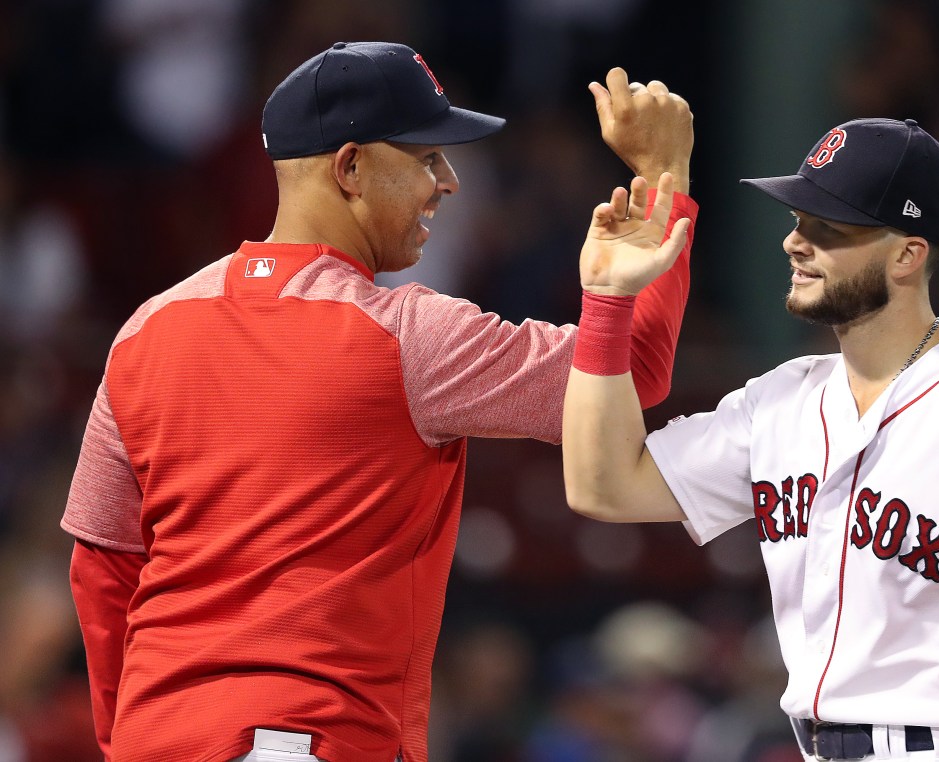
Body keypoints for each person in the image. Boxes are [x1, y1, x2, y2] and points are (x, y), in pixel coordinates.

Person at [61, 41, 695, 762]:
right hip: (301, 740)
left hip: (157, 736)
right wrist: (663, 178)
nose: (449, 182)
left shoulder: (146, 329)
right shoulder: (409, 337)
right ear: (351, 167)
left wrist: (126, 741)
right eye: (427, 158)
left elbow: (103, 570)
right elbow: (629, 374)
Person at [563, 117, 939, 761]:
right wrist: (607, 301)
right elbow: (604, 485)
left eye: (828, 228)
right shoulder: (780, 400)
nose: (795, 243)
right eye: (800, 219)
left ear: (907, 254)